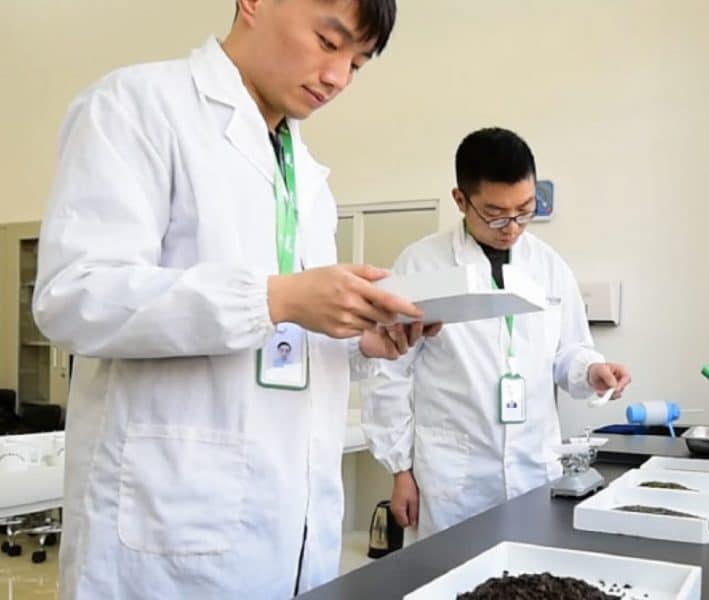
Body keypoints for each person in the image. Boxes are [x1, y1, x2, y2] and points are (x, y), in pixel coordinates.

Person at [32, 1, 440, 598]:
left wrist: (357, 340)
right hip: (167, 536)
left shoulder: (305, 173)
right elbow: (75, 295)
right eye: (329, 42)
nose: (337, 78)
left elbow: (280, 345)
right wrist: (276, 298)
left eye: (357, 63)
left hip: (291, 533)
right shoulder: (137, 106)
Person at [362, 127, 632, 539]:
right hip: (455, 474)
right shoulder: (420, 265)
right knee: (452, 579)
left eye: (526, 210)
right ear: (461, 200)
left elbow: (569, 351)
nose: (513, 227)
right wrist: (400, 469)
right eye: (496, 213)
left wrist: (591, 370)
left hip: (533, 465)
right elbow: (390, 376)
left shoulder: (549, 265)